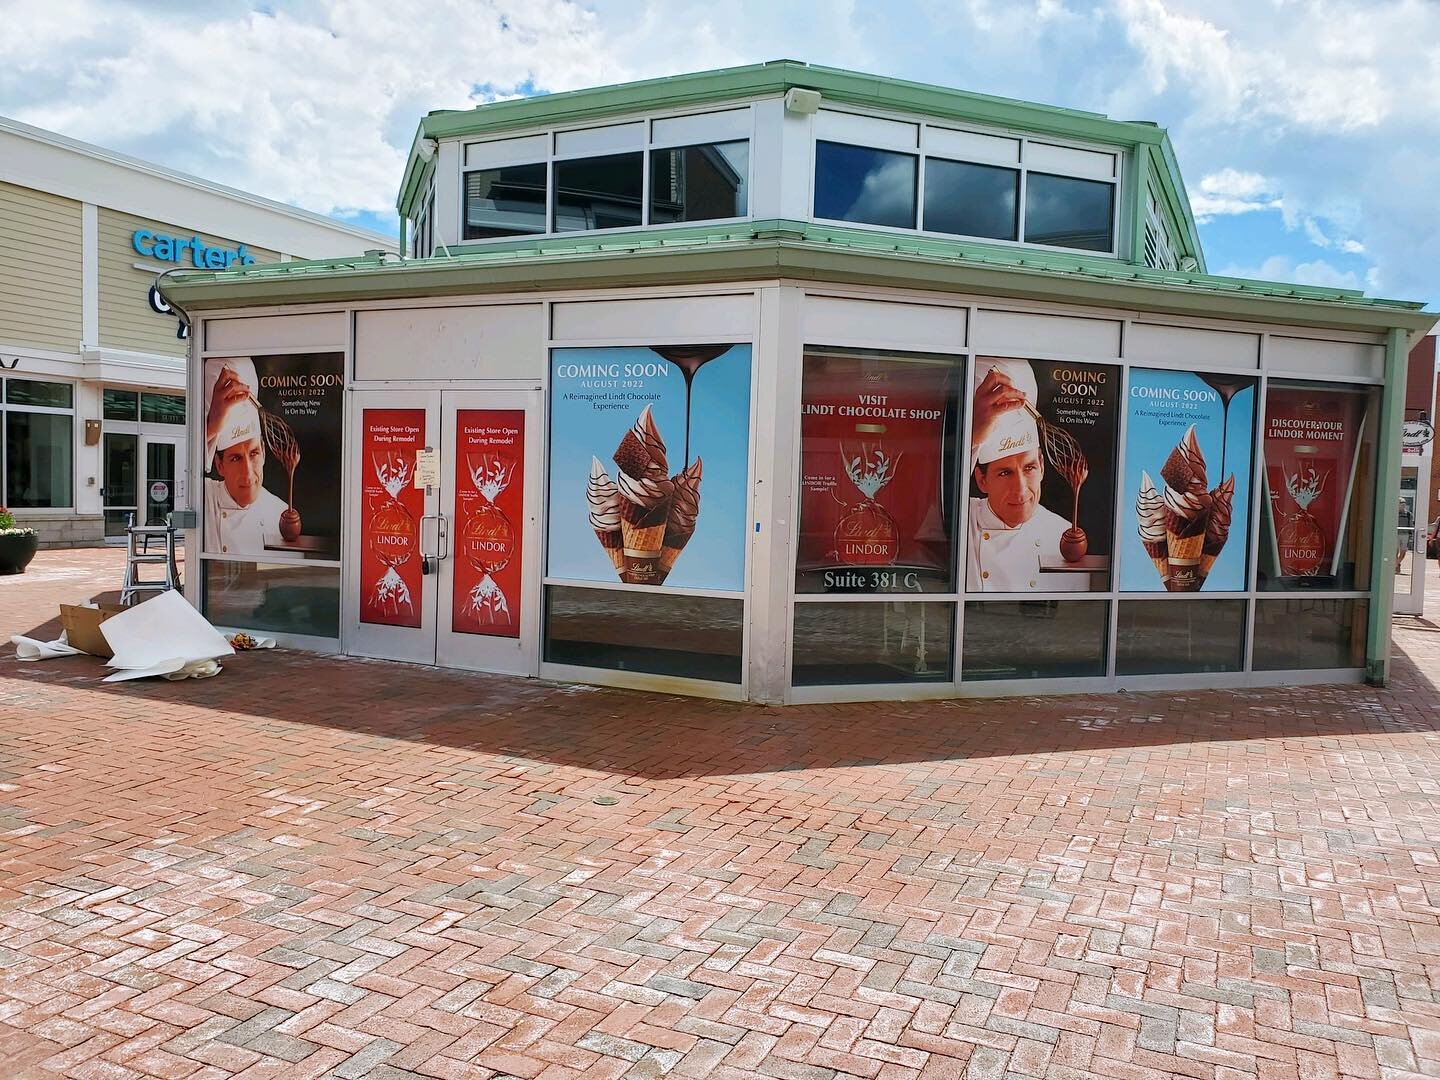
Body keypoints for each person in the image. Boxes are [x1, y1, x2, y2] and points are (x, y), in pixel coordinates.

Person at [966, 360, 1083, 592]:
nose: (1020, 490)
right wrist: (973, 439)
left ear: (1041, 465)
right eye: (1004, 472)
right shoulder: (961, 519)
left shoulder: (1063, 535)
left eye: (1029, 468)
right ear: (981, 480)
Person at [203, 357, 288, 554]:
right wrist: (210, 428)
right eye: (235, 458)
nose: (248, 473)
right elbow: (182, 473)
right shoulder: (204, 497)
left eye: (254, 453)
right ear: (219, 464)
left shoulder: (280, 514)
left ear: (264, 453)